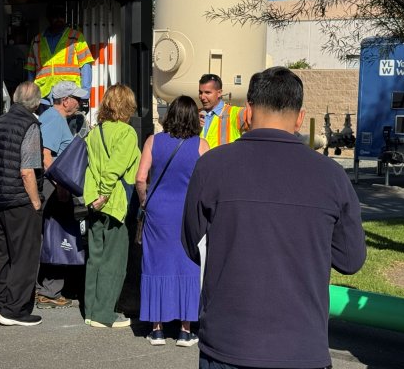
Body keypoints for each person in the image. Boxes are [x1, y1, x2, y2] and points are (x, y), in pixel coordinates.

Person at [182, 66, 367, 369]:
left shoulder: (212, 166)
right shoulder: (332, 176)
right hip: (302, 347)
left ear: (249, 111)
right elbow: (351, 260)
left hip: (228, 343)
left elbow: (193, 245)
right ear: (299, 117)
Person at [136, 95, 209, 347]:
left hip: (158, 211)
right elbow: (207, 184)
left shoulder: (153, 141)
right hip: (187, 212)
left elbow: (140, 178)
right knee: (188, 265)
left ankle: (156, 329)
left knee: (156, 263)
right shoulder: (201, 145)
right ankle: (185, 330)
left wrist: (145, 201)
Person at [0, 81, 45, 326]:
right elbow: (27, 170)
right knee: (24, 255)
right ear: (37, 103)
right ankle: (15, 310)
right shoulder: (30, 125)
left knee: (1, 254)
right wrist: (36, 202)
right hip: (18, 199)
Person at [83, 83, 140, 328]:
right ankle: (105, 314)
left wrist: (96, 195)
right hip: (113, 202)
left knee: (94, 258)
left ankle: (91, 310)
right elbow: (115, 168)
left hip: (92, 200)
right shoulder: (127, 133)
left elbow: (92, 167)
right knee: (114, 261)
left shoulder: (95, 132)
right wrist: (105, 193)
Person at [36, 80, 88, 309]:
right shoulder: (54, 119)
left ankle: (48, 288)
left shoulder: (51, 117)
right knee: (57, 237)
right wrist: (60, 185)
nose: (80, 103)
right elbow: (45, 155)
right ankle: (48, 290)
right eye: (76, 98)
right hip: (54, 187)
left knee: (52, 236)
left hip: (53, 185)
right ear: (65, 100)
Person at [25, 3, 94, 104]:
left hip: (69, 95)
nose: (59, 19)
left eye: (61, 15)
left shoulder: (76, 37)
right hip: (43, 96)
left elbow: (86, 66)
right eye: (55, 16)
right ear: (48, 18)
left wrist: (85, 95)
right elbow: (31, 71)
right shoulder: (37, 41)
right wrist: (31, 95)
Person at [198, 73, 247, 148]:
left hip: (225, 159)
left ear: (219, 93)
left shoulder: (236, 113)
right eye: (200, 92)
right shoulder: (195, 114)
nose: (202, 97)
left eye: (207, 93)